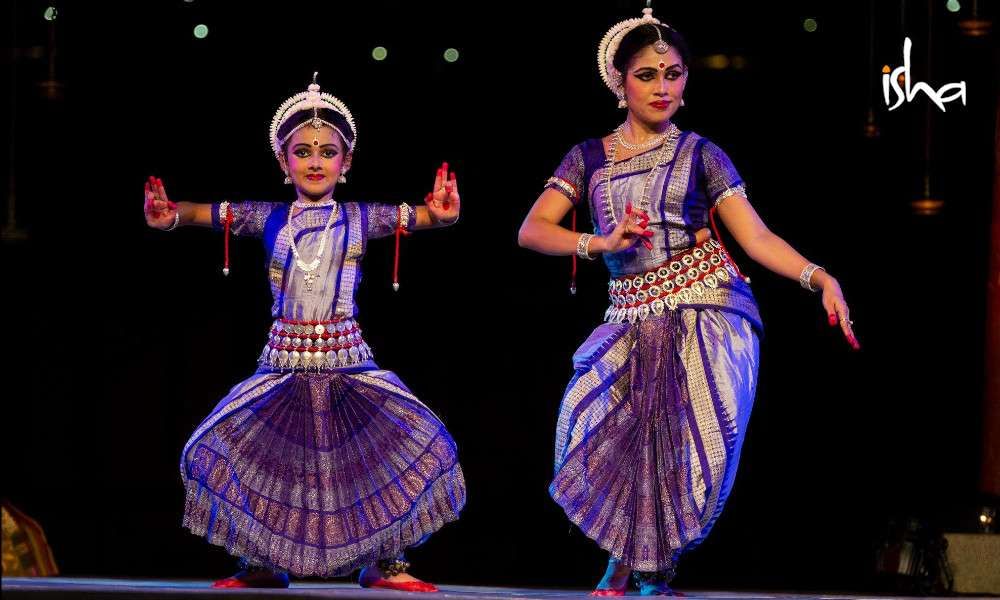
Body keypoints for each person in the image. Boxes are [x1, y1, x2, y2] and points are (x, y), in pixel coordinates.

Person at [517, 9, 858, 596]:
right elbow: (533, 229)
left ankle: (652, 571)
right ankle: (623, 561)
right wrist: (599, 242)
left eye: (674, 75)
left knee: (684, 440)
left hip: (704, 308)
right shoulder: (588, 158)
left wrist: (819, 277)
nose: (663, 88)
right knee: (596, 429)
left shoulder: (703, 154)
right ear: (619, 81)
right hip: (628, 311)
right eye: (647, 75)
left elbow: (755, 238)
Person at [143, 74, 465, 592]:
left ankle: (384, 563)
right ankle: (263, 562)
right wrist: (171, 216)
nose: (315, 161)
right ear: (283, 161)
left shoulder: (361, 217)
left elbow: (424, 216)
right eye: (302, 151)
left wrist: (442, 216)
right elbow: (204, 213)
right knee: (263, 459)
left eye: (328, 151)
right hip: (282, 362)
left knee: (375, 458)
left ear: (347, 161)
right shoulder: (265, 216)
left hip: (348, 359)